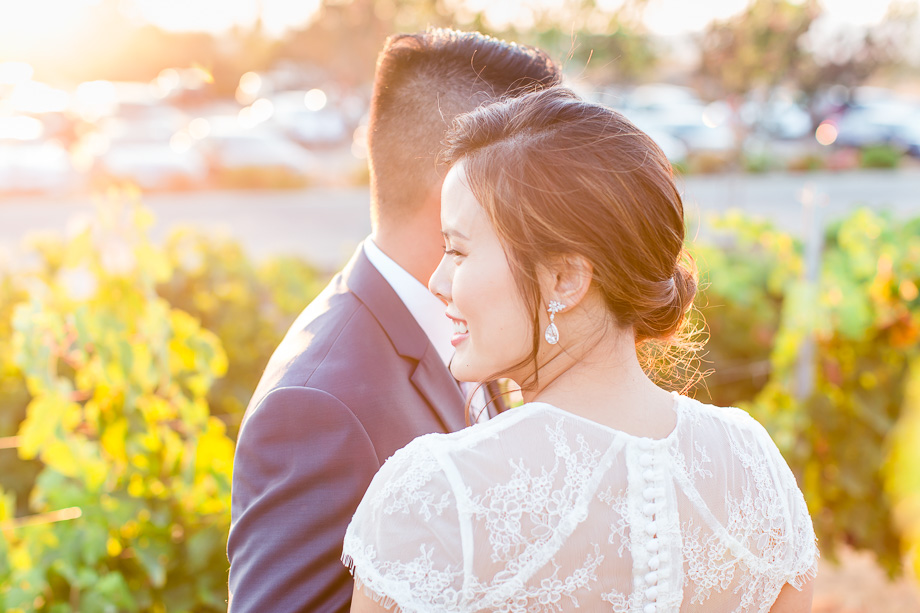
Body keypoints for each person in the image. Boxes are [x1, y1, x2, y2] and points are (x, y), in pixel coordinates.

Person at [342, 87, 819, 612]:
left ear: (566, 278)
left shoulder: (436, 494)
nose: (437, 280)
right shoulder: (751, 465)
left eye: (458, 250)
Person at [227, 29, 560, 612]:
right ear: (457, 195)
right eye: (543, 185)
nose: (558, 216)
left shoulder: (471, 324)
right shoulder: (318, 407)